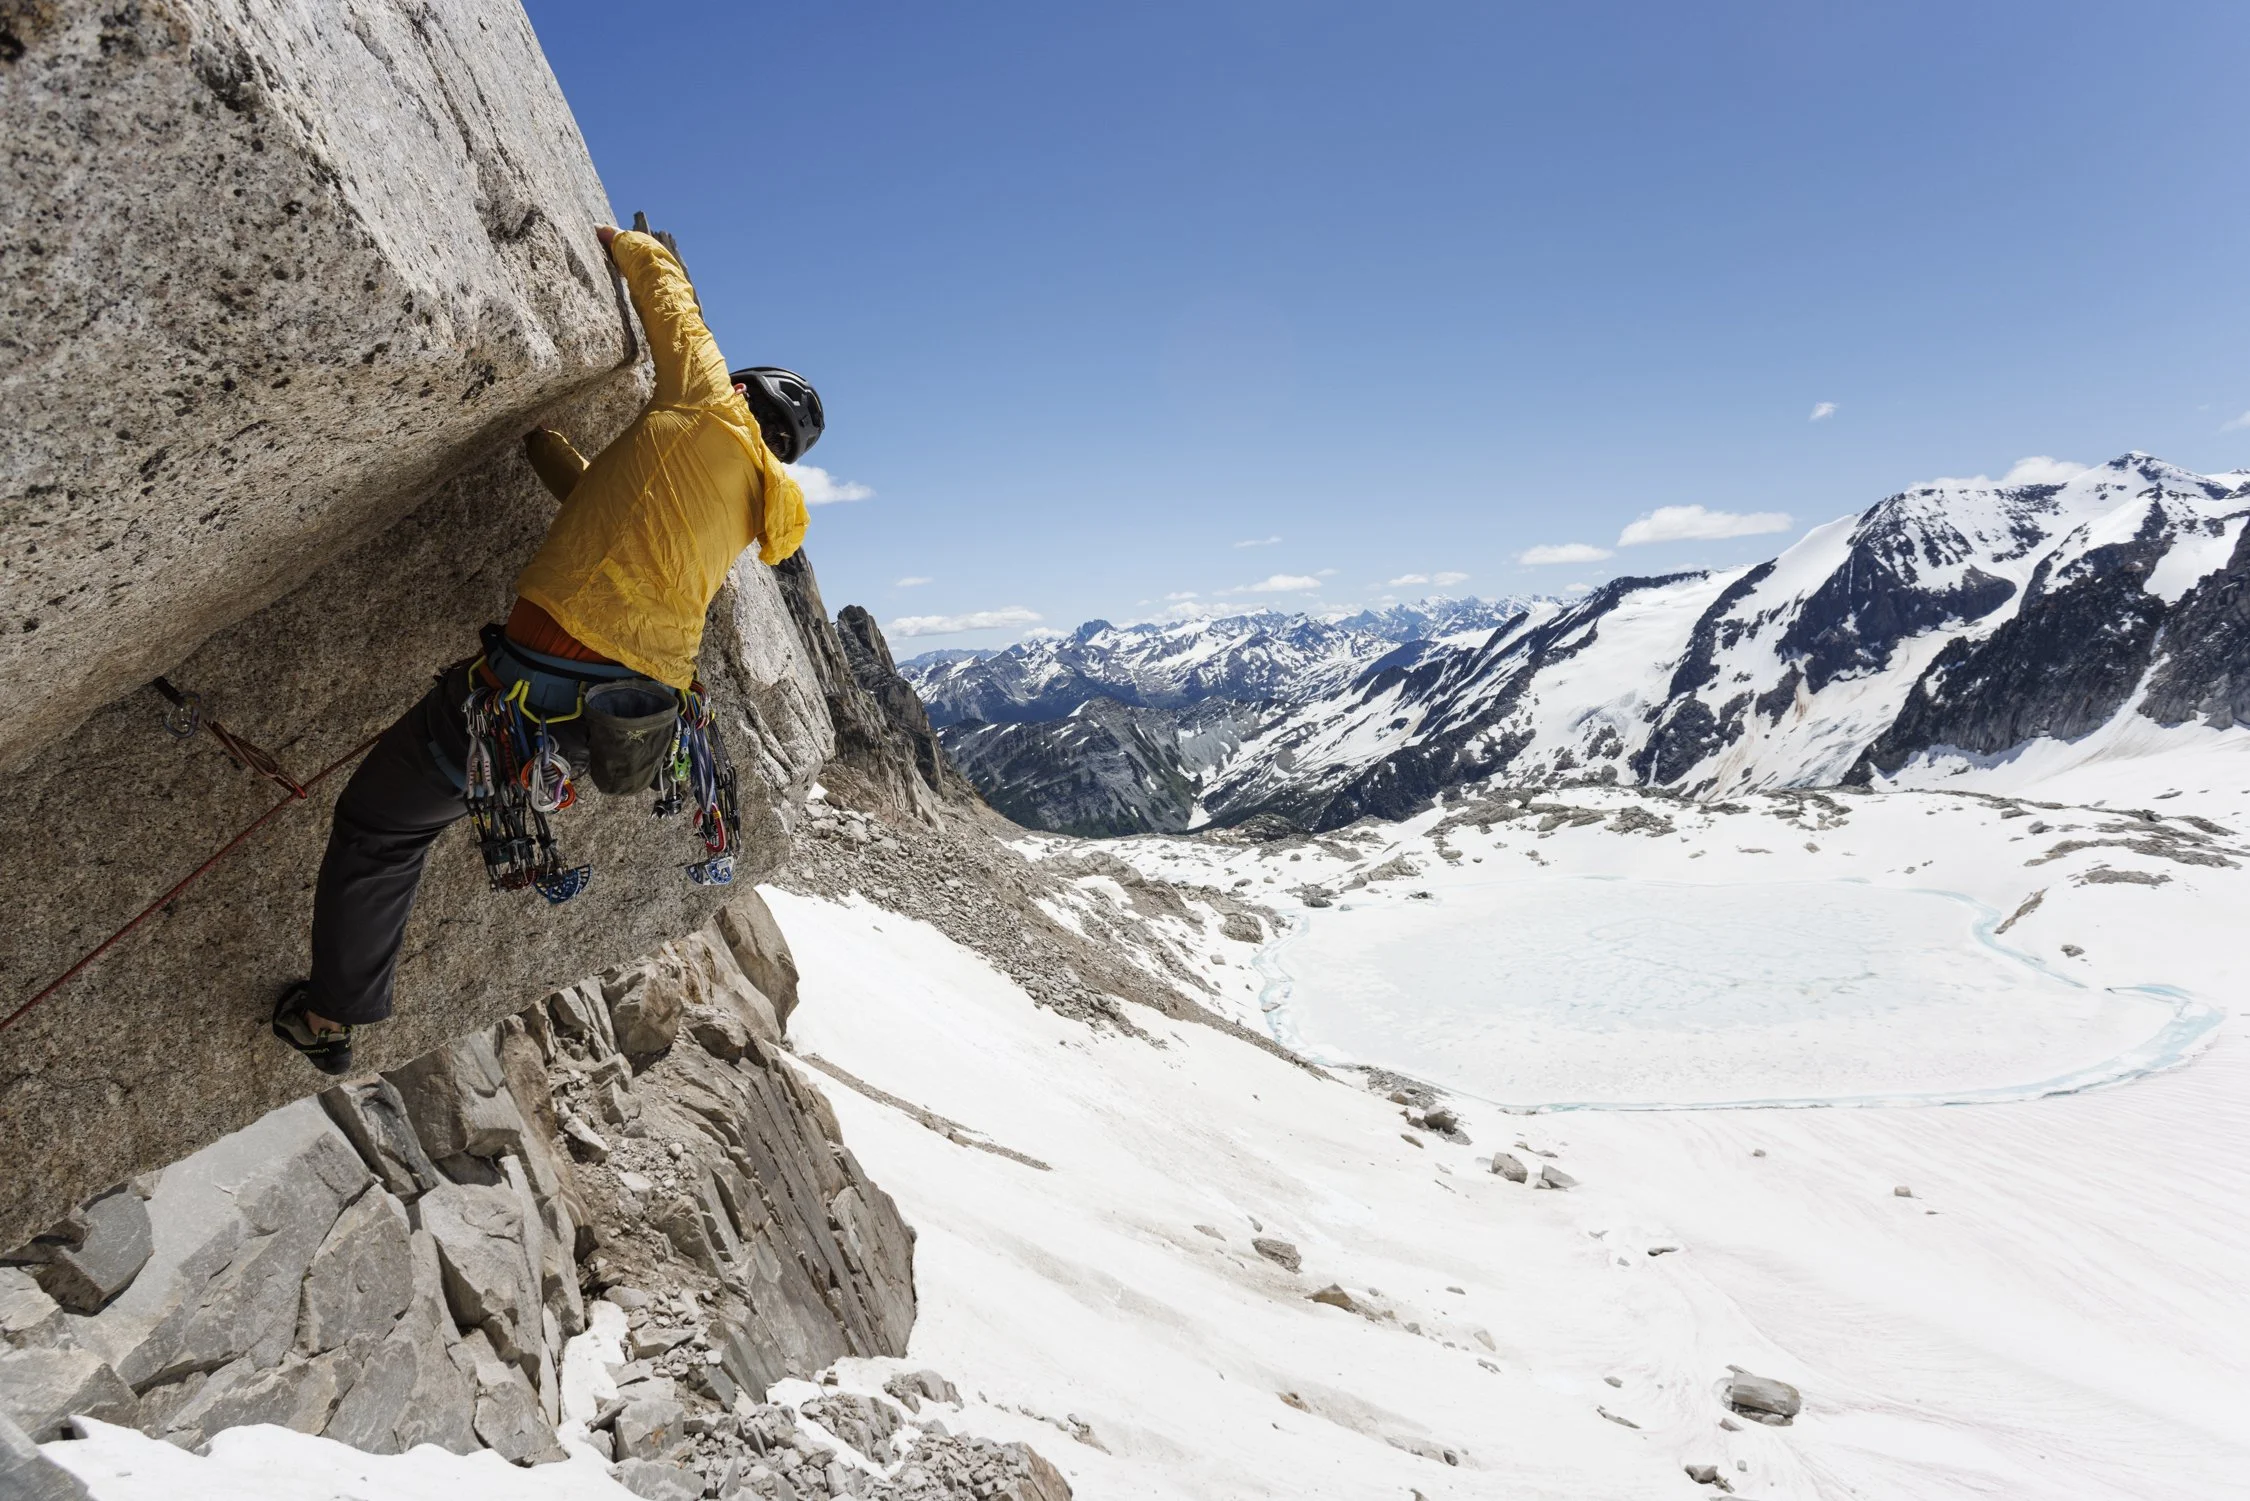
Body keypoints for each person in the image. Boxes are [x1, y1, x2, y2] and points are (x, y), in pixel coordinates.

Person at [272, 223, 819, 1075]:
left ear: (746, 395)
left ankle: (332, 1016)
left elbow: (670, 306)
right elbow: (613, 507)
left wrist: (631, 245)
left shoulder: (710, 404)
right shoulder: (749, 505)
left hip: (538, 681)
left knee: (380, 828)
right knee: (433, 802)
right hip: (616, 717)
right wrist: (545, 445)